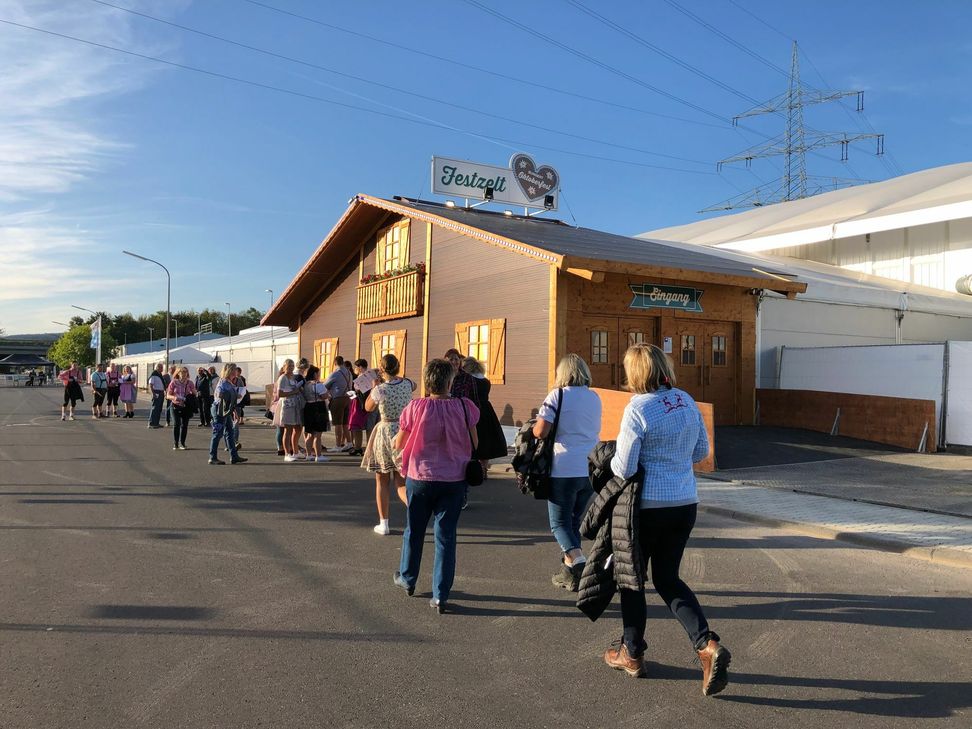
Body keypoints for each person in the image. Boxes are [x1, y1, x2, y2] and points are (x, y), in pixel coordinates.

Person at [603, 343, 729, 695]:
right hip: (684, 501)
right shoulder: (687, 400)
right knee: (669, 578)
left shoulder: (637, 408)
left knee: (632, 580)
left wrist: (609, 457)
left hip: (647, 507)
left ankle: (632, 652)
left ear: (634, 373)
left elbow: (624, 467)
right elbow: (702, 452)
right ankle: (706, 645)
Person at [392, 359, 479, 613]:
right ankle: (441, 595)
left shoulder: (414, 407)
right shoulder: (466, 407)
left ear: (427, 382)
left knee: (414, 530)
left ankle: (408, 578)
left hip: (419, 477)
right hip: (453, 478)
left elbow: (399, 442)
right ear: (450, 382)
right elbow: (475, 441)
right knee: (446, 536)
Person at [533, 354, 601, 592]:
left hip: (564, 467)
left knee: (559, 524)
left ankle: (580, 562)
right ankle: (568, 571)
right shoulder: (594, 397)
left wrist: (534, 426)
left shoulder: (557, 395)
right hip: (591, 467)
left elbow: (541, 431)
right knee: (573, 521)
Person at [361, 354, 415, 535]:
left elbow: (368, 407)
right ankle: (416, 509)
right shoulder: (407, 384)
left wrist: (373, 387)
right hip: (403, 431)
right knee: (401, 480)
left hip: (385, 430)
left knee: (382, 480)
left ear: (382, 369)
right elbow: (412, 385)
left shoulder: (380, 389)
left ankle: (383, 523)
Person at [461, 357, 509, 477]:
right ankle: (484, 468)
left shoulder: (469, 379)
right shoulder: (485, 380)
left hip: (472, 408)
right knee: (486, 439)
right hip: (486, 410)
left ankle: (473, 467)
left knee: (473, 438)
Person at [209, 362, 246, 465]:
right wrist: (232, 396)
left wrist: (233, 410)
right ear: (230, 371)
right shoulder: (223, 382)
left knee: (229, 432)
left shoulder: (229, 382)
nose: (236, 371)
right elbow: (219, 394)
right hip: (219, 410)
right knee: (218, 433)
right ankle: (212, 457)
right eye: (234, 369)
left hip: (225, 410)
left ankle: (234, 456)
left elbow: (229, 399)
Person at [274, 358, 305, 462]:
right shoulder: (283, 378)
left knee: (297, 428)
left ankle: (295, 452)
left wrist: (298, 389)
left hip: (295, 405)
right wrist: (294, 391)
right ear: (284, 367)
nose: (291, 368)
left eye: (292, 366)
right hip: (287, 406)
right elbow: (280, 394)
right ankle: (287, 453)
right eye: (289, 366)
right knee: (288, 430)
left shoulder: (292, 377)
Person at [323, 356, 354, 452]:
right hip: (347, 398)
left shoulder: (335, 373)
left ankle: (338, 445)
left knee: (337, 423)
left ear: (335, 363)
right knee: (345, 423)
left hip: (338, 399)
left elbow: (324, 386)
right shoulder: (349, 373)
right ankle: (349, 442)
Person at [166, 366, 196, 451]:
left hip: (186, 407)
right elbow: (168, 395)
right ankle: (176, 443)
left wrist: (193, 393)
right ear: (178, 373)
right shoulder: (173, 382)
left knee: (184, 425)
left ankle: (182, 443)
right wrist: (174, 398)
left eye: (185, 372)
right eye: (182, 372)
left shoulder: (190, 383)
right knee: (176, 424)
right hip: (175, 405)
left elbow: (194, 392)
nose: (183, 374)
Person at [147, 363, 166, 428]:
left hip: (161, 392)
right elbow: (151, 385)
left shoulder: (160, 375)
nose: (162, 368)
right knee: (155, 408)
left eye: (162, 367)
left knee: (159, 408)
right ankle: (151, 423)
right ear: (157, 367)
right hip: (156, 392)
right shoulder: (154, 375)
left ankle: (156, 423)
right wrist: (153, 393)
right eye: (160, 367)